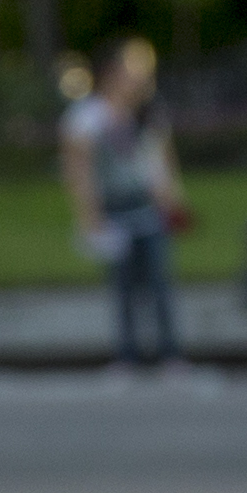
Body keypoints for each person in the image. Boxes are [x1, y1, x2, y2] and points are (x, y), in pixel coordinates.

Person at [60, 38, 189, 379]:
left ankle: (169, 352)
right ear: (111, 74)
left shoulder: (149, 112)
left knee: (160, 282)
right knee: (123, 285)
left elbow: (161, 161)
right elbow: (79, 170)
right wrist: (90, 216)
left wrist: (173, 200)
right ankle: (127, 354)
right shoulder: (88, 117)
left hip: (149, 207)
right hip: (115, 209)